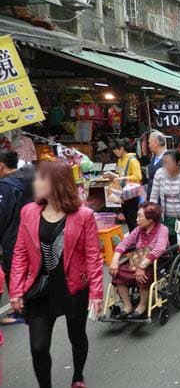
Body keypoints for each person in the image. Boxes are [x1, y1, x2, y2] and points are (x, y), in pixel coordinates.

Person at [9, 161, 103, 388]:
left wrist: (96, 293)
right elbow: (20, 253)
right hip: (40, 289)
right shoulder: (28, 212)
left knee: (77, 336)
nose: (35, 182)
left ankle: (77, 376)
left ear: (56, 183)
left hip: (73, 287)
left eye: (41, 178)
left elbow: (93, 256)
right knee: (38, 347)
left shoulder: (84, 216)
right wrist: (16, 289)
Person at [109, 202, 169, 319]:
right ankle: (127, 306)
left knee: (143, 276)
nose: (136, 219)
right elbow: (124, 243)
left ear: (151, 219)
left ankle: (142, 305)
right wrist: (115, 259)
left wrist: (142, 266)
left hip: (155, 262)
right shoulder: (138, 230)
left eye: (140, 216)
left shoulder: (163, 229)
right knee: (118, 273)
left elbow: (159, 249)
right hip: (138, 259)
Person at [0, 149, 33, 325]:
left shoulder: (5, 186)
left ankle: (21, 311)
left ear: (1, 166)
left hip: (13, 237)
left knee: (14, 272)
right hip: (31, 234)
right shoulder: (27, 179)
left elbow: (2, 215)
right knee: (28, 271)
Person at [149, 150, 180, 250]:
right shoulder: (159, 173)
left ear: (178, 162)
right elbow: (154, 196)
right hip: (168, 218)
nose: (165, 166)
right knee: (170, 246)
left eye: (168, 163)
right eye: (164, 163)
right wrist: (151, 213)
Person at [111, 139, 143, 232]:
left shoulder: (133, 160)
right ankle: (132, 240)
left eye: (115, 150)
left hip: (132, 193)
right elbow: (119, 173)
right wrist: (114, 176)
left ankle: (137, 240)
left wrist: (123, 178)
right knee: (128, 218)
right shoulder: (119, 160)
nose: (114, 152)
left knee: (133, 218)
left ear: (121, 149)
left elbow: (138, 176)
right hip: (124, 193)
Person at [148, 130, 167, 198]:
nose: (148, 146)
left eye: (150, 143)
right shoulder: (153, 158)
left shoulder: (169, 158)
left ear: (156, 142)